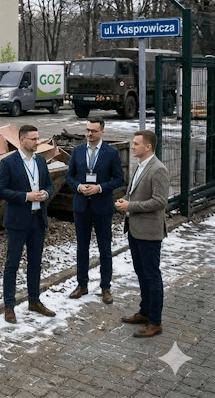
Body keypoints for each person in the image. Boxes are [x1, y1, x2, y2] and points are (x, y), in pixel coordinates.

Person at [0, 124, 56, 323]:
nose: (37, 142)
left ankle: (34, 300)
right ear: (22, 140)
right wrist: (26, 196)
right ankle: (9, 306)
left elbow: (49, 183)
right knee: (12, 264)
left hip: (38, 219)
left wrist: (46, 193)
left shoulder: (40, 160)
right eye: (33, 139)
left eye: (38, 138)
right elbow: (1, 191)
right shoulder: (8, 162)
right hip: (17, 221)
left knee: (35, 263)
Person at [115, 130, 169, 338]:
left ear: (148, 147)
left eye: (136, 144)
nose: (133, 146)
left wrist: (131, 205)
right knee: (141, 273)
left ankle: (155, 322)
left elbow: (159, 201)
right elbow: (134, 193)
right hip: (135, 229)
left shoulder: (158, 170)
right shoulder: (141, 166)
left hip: (149, 232)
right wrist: (124, 202)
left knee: (152, 276)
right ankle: (144, 312)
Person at [65, 117, 124, 304]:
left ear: (102, 132)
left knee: (104, 248)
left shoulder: (111, 153)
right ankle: (82, 284)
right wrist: (78, 186)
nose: (89, 134)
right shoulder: (78, 151)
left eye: (93, 131)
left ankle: (105, 287)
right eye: (87, 130)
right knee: (82, 248)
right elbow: (69, 176)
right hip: (81, 206)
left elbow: (119, 179)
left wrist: (100, 188)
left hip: (102, 206)